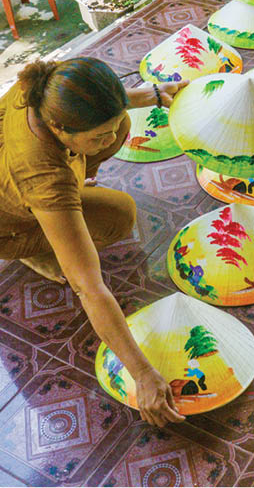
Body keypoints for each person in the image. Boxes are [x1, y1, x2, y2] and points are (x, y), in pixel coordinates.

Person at [0, 57, 187, 427]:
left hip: (18, 183)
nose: (109, 140)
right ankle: (35, 245)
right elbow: (89, 287)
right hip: (7, 227)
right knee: (118, 216)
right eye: (97, 136)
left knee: (124, 122)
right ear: (59, 127)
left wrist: (152, 94)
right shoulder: (44, 177)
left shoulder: (50, 86)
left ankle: (61, 216)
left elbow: (110, 109)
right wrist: (142, 373)